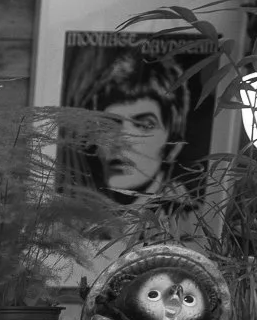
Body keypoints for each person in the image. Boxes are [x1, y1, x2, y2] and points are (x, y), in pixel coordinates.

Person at [64, 44, 192, 204]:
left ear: (173, 146)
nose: (121, 141)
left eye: (143, 125)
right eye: (108, 125)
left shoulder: (189, 220)